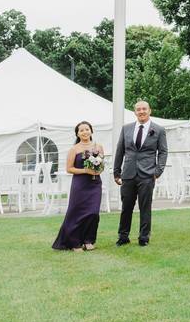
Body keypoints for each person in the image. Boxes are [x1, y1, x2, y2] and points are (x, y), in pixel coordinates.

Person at [114, 100, 168, 247]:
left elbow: (163, 152)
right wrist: (116, 172)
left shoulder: (159, 130)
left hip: (147, 174)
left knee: (145, 208)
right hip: (128, 174)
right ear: (135, 112)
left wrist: (158, 171)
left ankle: (143, 238)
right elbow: (120, 151)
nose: (141, 111)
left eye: (144, 109)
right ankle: (123, 236)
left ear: (149, 111)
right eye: (138, 109)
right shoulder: (126, 129)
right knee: (126, 208)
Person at [52, 121, 103, 251]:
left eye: (87, 129)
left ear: (91, 131)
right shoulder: (74, 149)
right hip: (80, 184)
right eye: (81, 130)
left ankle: (88, 240)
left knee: (93, 213)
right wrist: (86, 170)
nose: (85, 132)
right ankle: (74, 242)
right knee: (76, 212)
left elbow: (101, 165)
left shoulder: (98, 146)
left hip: (95, 183)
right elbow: (69, 169)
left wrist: (97, 170)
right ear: (78, 134)